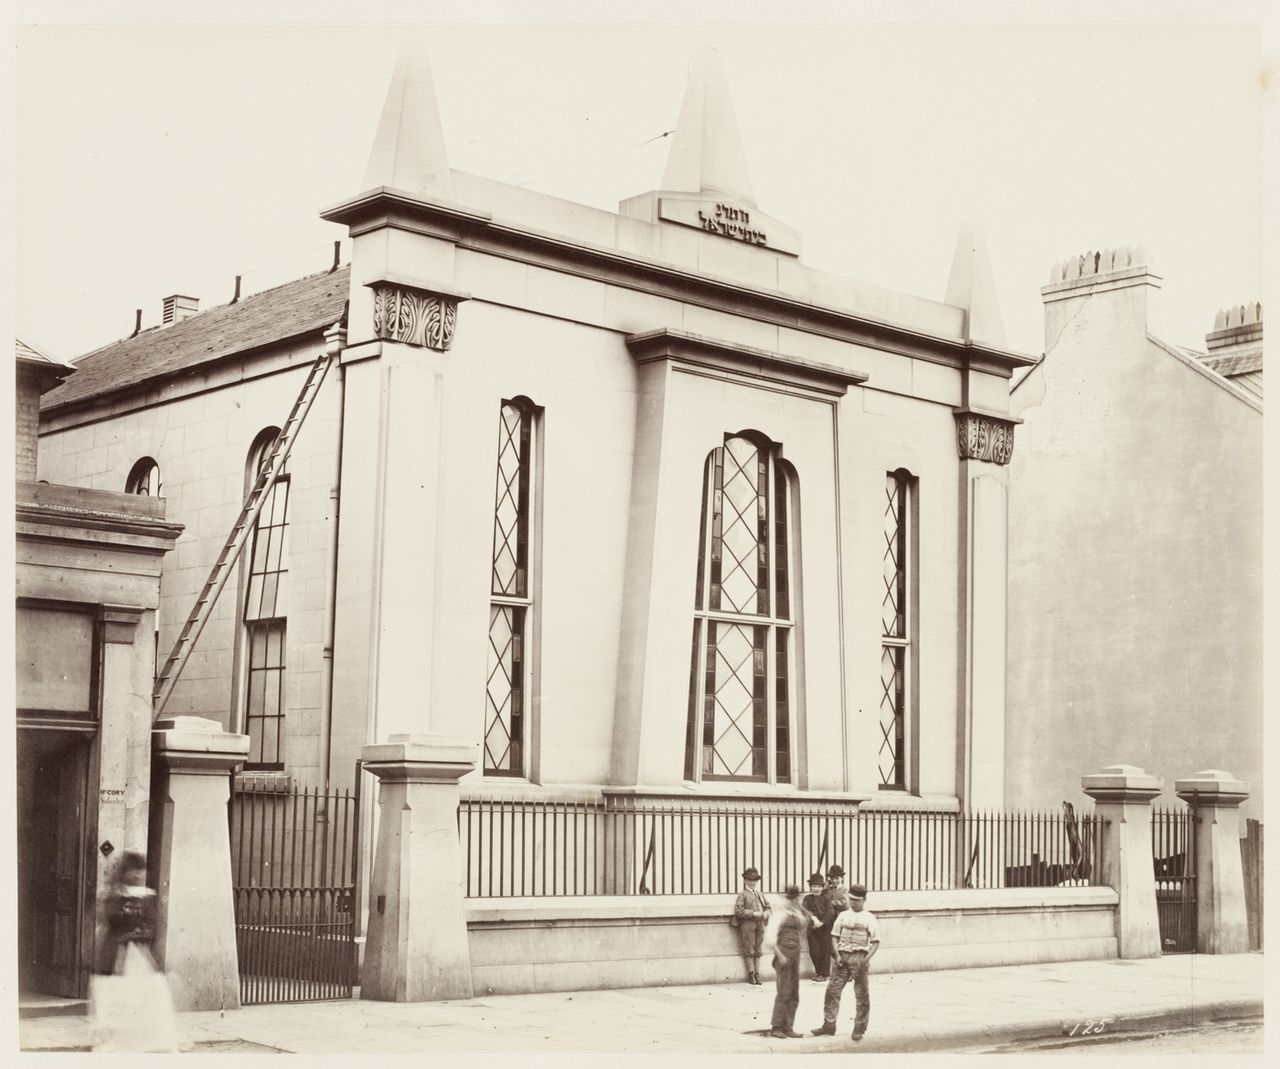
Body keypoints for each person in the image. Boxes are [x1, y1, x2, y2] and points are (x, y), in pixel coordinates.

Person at [811, 882, 880, 1041]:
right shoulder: (843, 915)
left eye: (856, 900)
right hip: (842, 957)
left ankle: (859, 1028)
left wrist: (866, 959)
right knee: (832, 992)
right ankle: (829, 1025)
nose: (853, 902)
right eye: (851, 899)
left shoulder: (869, 918)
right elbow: (834, 935)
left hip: (859, 957)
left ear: (864, 900)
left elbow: (876, 942)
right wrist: (837, 954)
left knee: (862, 995)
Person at [765, 883, 820, 1039]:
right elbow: (770, 939)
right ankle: (776, 1027)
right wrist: (780, 956)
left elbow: (809, 921)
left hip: (795, 955)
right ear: (785, 898)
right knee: (784, 991)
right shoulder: (779, 915)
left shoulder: (798, 913)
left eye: (795, 898)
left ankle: (788, 1026)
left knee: (794, 991)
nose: (793, 900)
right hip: (783, 955)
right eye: (790, 898)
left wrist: (808, 915)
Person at [94, 852, 157, 975]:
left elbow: (151, 922)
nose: (137, 878)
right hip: (114, 947)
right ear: (125, 874)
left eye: (140, 873)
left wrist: (143, 930)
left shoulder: (145, 896)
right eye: (134, 873)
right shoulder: (112, 895)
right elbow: (108, 918)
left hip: (137, 949)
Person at [733, 866, 770, 985]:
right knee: (749, 949)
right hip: (748, 925)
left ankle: (758, 974)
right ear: (745, 881)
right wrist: (753, 913)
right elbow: (739, 911)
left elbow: (768, 907)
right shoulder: (743, 895)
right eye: (749, 880)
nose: (752, 882)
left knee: (758, 949)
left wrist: (766, 913)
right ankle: (751, 974)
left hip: (760, 924)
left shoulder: (760, 894)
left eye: (754, 880)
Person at [802, 872, 834, 980]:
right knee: (815, 951)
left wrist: (822, 922)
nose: (816, 889)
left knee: (825, 951)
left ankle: (824, 974)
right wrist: (814, 920)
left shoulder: (826, 898)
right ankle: (818, 972)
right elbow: (805, 911)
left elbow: (830, 912)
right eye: (814, 886)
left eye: (819, 886)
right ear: (810, 887)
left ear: (822, 887)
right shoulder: (807, 898)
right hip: (812, 929)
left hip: (825, 928)